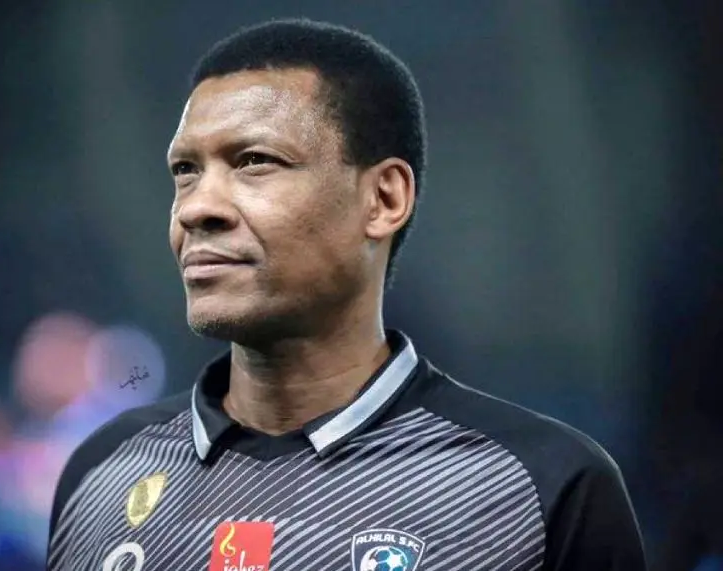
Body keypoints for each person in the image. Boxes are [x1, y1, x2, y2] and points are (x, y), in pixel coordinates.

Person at [47, 19, 646, 571]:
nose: (197, 208)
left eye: (254, 161)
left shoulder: (543, 487)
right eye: (186, 171)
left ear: (383, 199)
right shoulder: (101, 473)